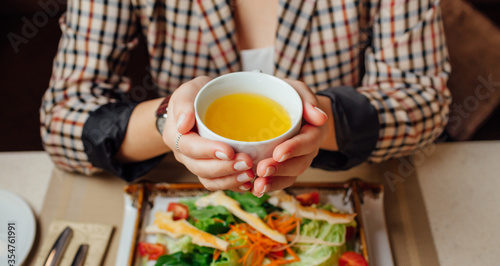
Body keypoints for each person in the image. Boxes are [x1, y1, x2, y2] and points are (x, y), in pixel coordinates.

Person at [40, 0, 451, 197]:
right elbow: (62, 121)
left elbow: (426, 104)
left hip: (337, 188)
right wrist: (169, 122)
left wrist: (319, 119)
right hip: (182, 189)